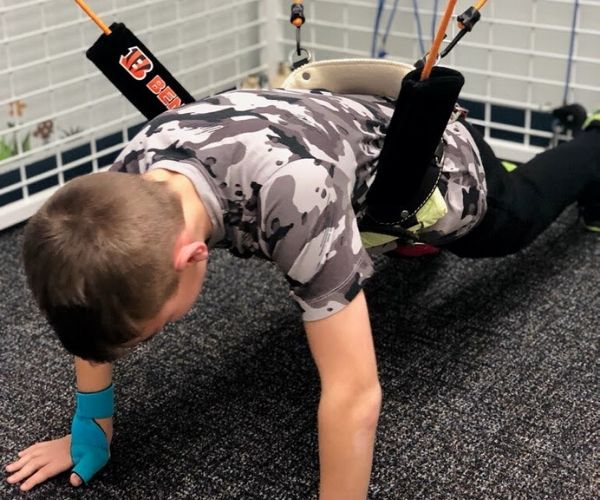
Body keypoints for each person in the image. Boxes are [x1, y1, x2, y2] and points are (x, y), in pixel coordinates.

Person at [4, 73, 599, 498]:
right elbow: (87, 285)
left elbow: (355, 393)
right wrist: (91, 421)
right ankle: (403, 239)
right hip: (335, 129)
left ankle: (594, 145)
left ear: (191, 258)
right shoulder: (123, 186)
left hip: (436, 162)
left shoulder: (294, 197)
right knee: (359, 246)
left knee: (512, 222)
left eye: (150, 332)